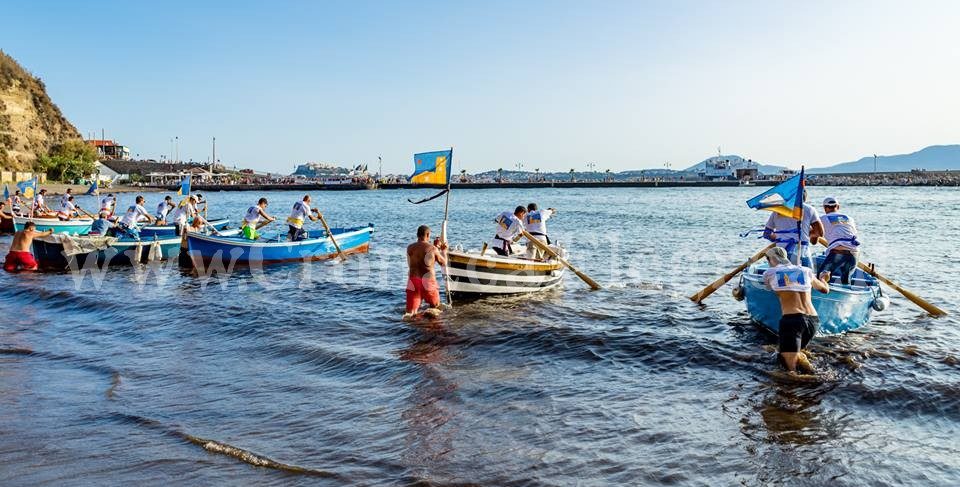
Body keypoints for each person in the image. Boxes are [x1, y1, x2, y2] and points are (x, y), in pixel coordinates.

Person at [762, 247, 830, 373]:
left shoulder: (769, 273)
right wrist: (824, 279)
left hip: (792, 321)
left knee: (789, 370)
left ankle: (810, 383)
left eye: (767, 259)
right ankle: (813, 376)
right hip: (813, 321)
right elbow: (825, 290)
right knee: (797, 354)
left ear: (771, 259)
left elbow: (769, 288)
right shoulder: (806, 270)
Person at [762, 190, 823, 268]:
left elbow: (767, 233)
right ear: (805, 198)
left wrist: (781, 238)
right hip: (802, 251)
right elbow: (820, 232)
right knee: (808, 277)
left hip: (782, 253)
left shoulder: (778, 210)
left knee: (784, 278)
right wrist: (807, 234)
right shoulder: (809, 209)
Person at [405, 225, 447, 318]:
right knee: (435, 309)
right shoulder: (432, 249)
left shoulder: (409, 248)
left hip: (413, 282)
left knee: (410, 314)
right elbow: (443, 263)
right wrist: (443, 251)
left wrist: (434, 247)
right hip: (428, 282)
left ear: (417, 235)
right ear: (427, 234)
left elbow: (416, 259)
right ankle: (430, 328)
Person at [818, 196, 861, 285]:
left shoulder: (822, 219)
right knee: (846, 280)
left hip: (838, 252)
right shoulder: (849, 218)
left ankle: (823, 293)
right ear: (837, 207)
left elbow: (812, 233)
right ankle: (845, 294)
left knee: (820, 278)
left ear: (825, 208)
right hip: (855, 253)